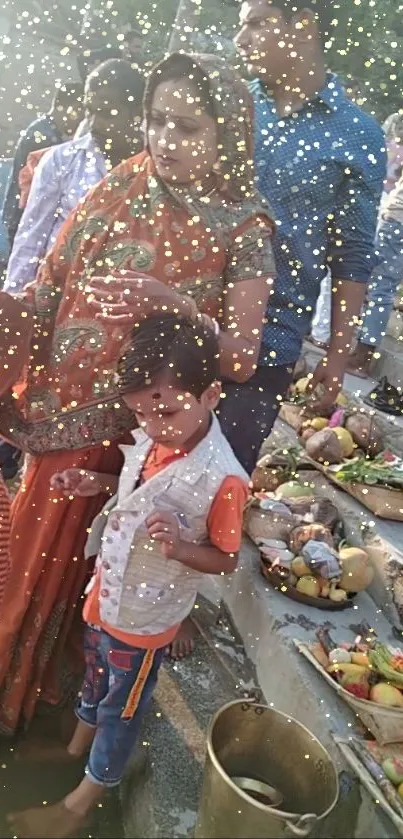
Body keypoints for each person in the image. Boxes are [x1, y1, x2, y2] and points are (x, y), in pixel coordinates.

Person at [0, 52, 275, 735]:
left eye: (187, 126)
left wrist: (171, 301)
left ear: (226, 136)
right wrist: (17, 317)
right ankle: (17, 683)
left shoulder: (244, 227)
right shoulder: (126, 179)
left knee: (95, 565)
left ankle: (47, 697)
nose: (164, 140)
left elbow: (239, 356)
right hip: (56, 415)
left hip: (135, 429)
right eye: (156, 121)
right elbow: (57, 277)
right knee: (33, 549)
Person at [7, 313, 248, 839]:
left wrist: (183, 547)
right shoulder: (159, 437)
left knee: (123, 708)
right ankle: (75, 746)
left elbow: (227, 558)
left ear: (210, 395)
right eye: (141, 412)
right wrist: (95, 480)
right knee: (96, 675)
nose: (154, 424)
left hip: (145, 619)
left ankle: (81, 801)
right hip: (109, 598)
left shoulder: (224, 479)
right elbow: (135, 484)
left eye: (164, 410)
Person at [234, 0, 385, 422]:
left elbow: (351, 255)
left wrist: (336, 360)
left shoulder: (357, 135)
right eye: (240, 27)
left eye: (257, 25)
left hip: (270, 345)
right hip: (189, 326)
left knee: (220, 479)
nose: (240, 40)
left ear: (303, 27)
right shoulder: (234, 106)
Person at [5, 60, 145, 294]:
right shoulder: (61, 161)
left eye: (107, 113)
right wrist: (12, 308)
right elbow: (30, 241)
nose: (94, 124)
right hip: (55, 297)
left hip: (120, 303)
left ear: (138, 114)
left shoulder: (155, 168)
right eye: (90, 111)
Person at [2, 83, 84, 248]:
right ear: (64, 107)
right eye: (79, 112)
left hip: (24, 218)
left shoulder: (45, 130)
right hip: (26, 220)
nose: (81, 120)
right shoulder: (43, 137)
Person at [346, 171, 403, 376]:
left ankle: (362, 357)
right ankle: (361, 354)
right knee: (383, 288)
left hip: (398, 221)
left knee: (380, 288)